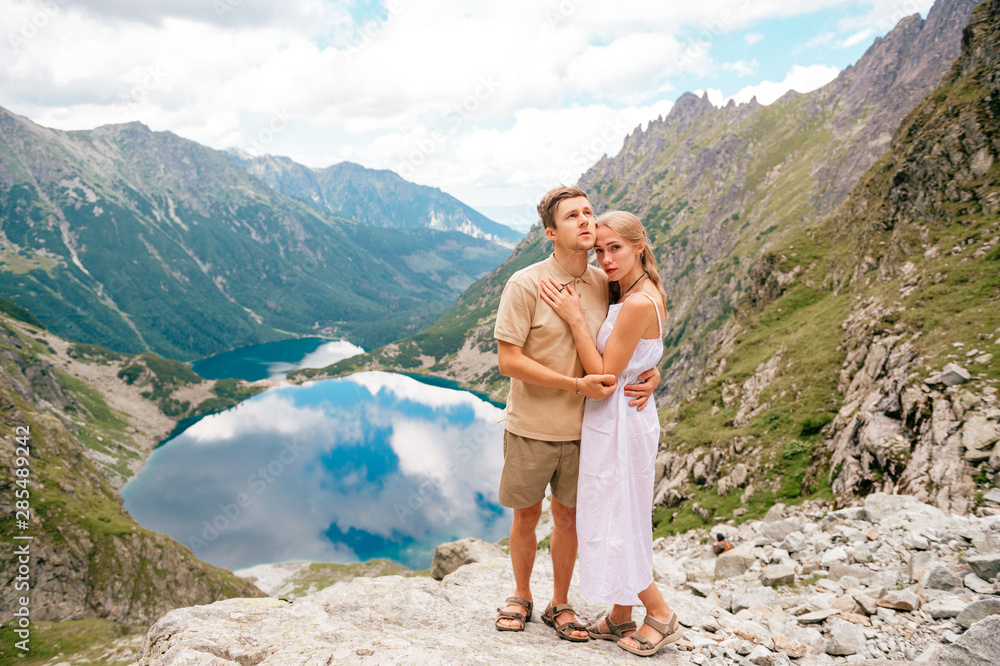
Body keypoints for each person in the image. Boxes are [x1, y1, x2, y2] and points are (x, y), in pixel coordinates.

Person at [493, 187, 660, 642]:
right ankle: (521, 595)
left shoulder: (604, 282)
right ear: (551, 232)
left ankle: (560, 604)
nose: (586, 221)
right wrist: (575, 385)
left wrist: (653, 369)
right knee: (526, 515)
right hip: (531, 425)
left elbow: (628, 339)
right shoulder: (527, 284)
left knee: (569, 518)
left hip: (586, 430)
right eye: (573, 216)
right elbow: (508, 361)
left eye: (589, 212)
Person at [538, 210, 683, 657]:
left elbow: (603, 374)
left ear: (639, 245)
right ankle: (621, 614)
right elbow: (640, 353)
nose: (605, 259)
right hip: (625, 416)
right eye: (599, 250)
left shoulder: (638, 301)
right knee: (621, 511)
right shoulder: (641, 291)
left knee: (619, 516)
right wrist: (651, 369)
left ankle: (659, 614)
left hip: (618, 418)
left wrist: (575, 318)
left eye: (615, 248)